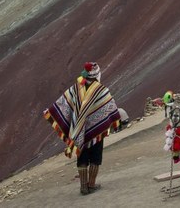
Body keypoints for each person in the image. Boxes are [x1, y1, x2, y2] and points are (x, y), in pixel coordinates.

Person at [43, 62, 121, 195]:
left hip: (79, 132)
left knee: (82, 157)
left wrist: (51, 111)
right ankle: (91, 184)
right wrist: (116, 120)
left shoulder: (75, 89)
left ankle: (83, 187)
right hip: (96, 131)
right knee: (96, 157)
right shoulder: (102, 91)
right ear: (97, 75)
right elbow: (110, 106)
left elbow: (64, 102)